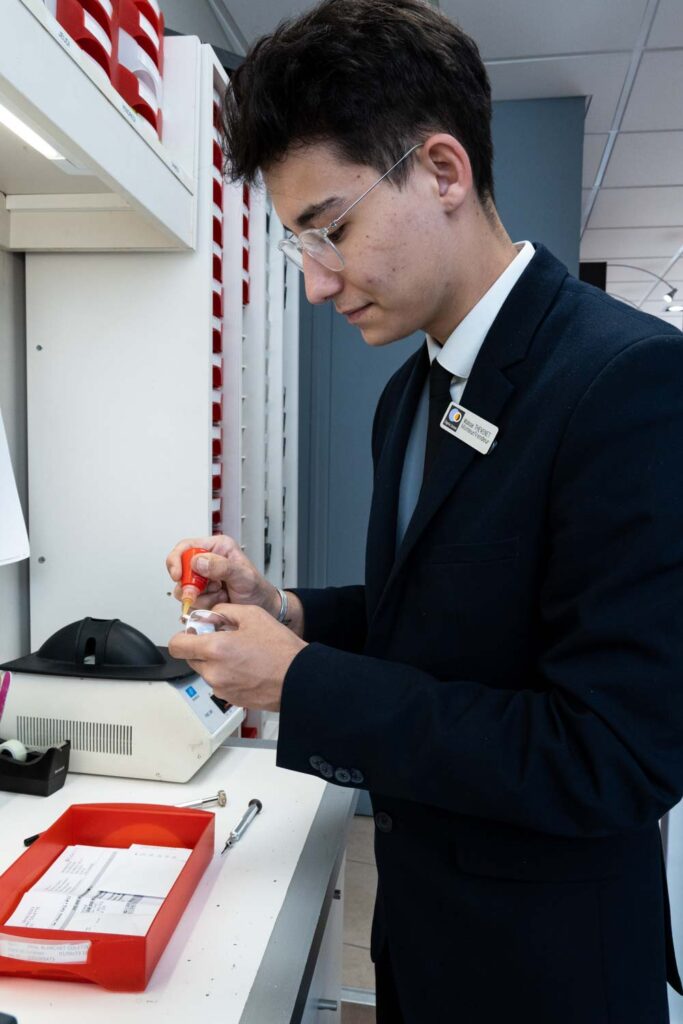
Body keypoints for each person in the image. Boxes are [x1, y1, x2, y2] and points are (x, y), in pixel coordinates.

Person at [167, 1, 683, 1020]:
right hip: (424, 933)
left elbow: (610, 756)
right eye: (294, 246)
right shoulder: (414, 392)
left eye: (330, 230)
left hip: (546, 971)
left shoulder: (625, 382)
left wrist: (303, 680)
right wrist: (293, 609)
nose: (316, 285)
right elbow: (449, 611)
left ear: (441, 171)